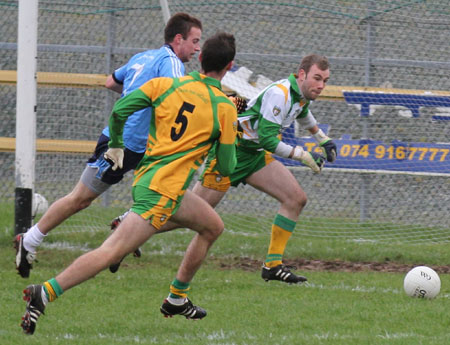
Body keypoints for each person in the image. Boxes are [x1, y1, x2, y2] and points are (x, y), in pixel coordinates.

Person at [20, 32, 238, 335]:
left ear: (200, 59)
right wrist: (227, 136)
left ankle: (177, 296)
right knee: (109, 252)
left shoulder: (167, 85)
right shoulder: (225, 108)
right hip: (162, 193)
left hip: (150, 180)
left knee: (213, 226)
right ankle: (45, 292)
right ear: (229, 66)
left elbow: (121, 108)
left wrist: (117, 144)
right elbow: (227, 167)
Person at [14, 12, 203, 278]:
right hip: (122, 145)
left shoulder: (143, 57)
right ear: (178, 38)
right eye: (195, 41)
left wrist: (135, 102)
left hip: (145, 148)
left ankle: (124, 230)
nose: (197, 48)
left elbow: (112, 82)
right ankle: (30, 240)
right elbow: (174, 98)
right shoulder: (172, 64)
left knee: (165, 196)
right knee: (80, 198)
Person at [189, 54, 337, 284]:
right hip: (232, 152)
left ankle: (273, 266)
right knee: (189, 214)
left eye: (325, 80)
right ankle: (129, 228)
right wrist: (303, 156)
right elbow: (269, 140)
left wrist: (322, 138)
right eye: (317, 78)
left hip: (254, 156)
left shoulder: (300, 94)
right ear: (301, 74)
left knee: (295, 199)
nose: (321, 85)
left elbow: (303, 112)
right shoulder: (280, 94)